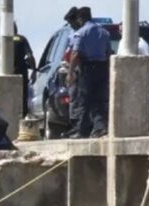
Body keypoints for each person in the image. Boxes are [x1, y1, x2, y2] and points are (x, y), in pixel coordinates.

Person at [63, 7, 112, 139]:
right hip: (102, 68)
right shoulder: (104, 32)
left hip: (88, 68)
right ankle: (100, 127)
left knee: (84, 100)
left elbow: (76, 53)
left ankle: (82, 131)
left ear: (80, 18)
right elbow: (108, 53)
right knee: (99, 100)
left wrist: (71, 72)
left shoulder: (81, 33)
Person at [0, 22, 36, 116]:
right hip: (21, 75)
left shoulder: (0, 40)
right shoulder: (22, 39)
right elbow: (30, 56)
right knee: (22, 102)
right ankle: (21, 120)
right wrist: (34, 70)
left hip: (5, 76)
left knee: (4, 103)